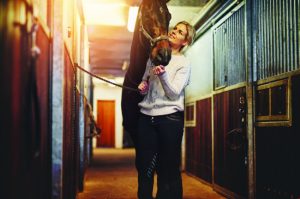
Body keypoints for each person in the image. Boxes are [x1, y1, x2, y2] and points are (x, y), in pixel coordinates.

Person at [136, 21, 195, 199]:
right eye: (175, 29)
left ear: (185, 42)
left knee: (168, 168)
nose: (174, 32)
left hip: (170, 120)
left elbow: (173, 93)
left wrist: (163, 76)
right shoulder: (153, 56)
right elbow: (145, 81)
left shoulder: (183, 63)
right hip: (146, 118)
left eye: (180, 32)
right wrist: (143, 86)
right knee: (144, 166)